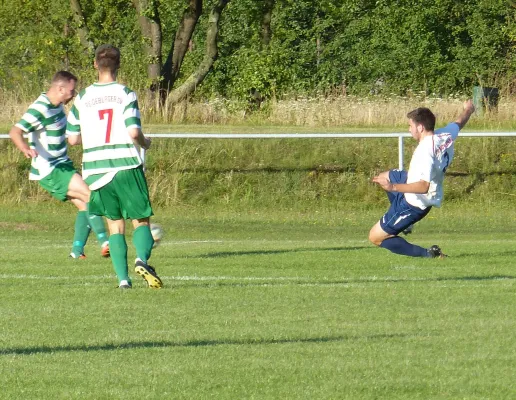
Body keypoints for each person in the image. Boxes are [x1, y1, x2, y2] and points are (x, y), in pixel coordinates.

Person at [66, 44, 163, 289]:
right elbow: (133, 131)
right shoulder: (125, 93)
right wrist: (145, 142)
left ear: (95, 65)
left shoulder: (83, 97)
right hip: (126, 164)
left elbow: (73, 139)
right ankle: (141, 259)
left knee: (114, 226)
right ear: (118, 65)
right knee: (141, 221)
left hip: (96, 170)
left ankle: (123, 281)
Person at [9, 71, 110, 259]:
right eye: (71, 90)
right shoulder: (40, 108)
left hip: (63, 165)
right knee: (91, 195)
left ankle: (77, 251)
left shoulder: (57, 107)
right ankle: (106, 242)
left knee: (84, 205)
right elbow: (15, 131)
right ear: (60, 88)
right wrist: (25, 149)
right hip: (50, 169)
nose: (74, 93)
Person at [369, 99, 476, 257]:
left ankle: (429, 254)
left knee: (375, 237)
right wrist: (468, 110)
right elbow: (459, 123)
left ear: (420, 127)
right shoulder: (444, 135)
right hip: (415, 183)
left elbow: (422, 186)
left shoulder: (425, 152)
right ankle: (407, 227)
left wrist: (392, 188)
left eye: (410, 125)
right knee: (384, 176)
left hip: (415, 202)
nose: (409, 129)